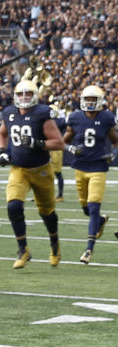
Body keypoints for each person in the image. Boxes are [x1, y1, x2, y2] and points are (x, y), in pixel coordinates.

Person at [0, 76, 65, 268]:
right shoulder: (9, 113)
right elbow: (2, 133)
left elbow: (58, 142)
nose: (24, 97)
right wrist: (2, 152)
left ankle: (54, 243)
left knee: (47, 212)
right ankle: (23, 249)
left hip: (41, 170)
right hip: (19, 169)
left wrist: (38, 143)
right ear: (15, 96)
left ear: (35, 95)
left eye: (28, 93)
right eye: (21, 94)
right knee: (13, 206)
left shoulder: (42, 113)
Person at [62, 85, 118, 264]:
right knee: (87, 210)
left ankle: (88, 249)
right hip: (80, 168)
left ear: (100, 100)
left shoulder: (106, 117)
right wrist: (70, 148)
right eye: (88, 99)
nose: (91, 103)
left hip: (98, 169)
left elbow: (116, 141)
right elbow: (64, 141)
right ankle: (101, 221)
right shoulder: (76, 117)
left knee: (93, 208)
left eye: (94, 99)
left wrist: (113, 154)